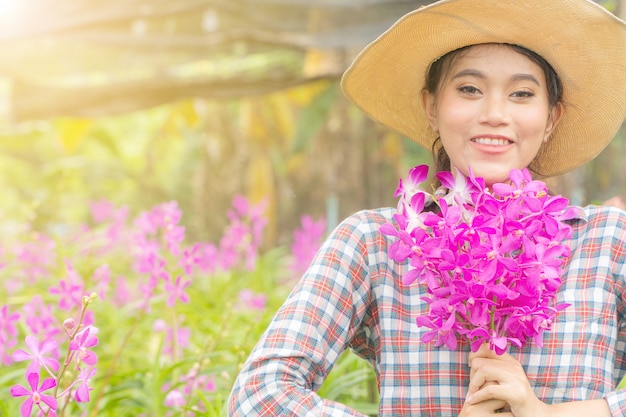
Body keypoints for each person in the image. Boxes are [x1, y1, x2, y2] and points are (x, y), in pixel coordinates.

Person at [228, 0, 626, 415]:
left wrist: (549, 413)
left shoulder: (607, 241)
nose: (494, 114)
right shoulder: (372, 244)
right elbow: (257, 395)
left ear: (551, 119)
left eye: (522, 94)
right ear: (431, 107)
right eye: (469, 89)